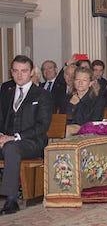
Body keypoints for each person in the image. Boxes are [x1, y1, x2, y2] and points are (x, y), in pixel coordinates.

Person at [0, 55, 54, 215]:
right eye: (16, 71)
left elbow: (42, 126)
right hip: (8, 140)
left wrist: (13, 137)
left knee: (11, 148)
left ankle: (11, 199)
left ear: (31, 72)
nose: (19, 75)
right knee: (9, 146)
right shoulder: (6, 93)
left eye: (24, 71)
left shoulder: (42, 95)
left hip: (32, 142)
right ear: (11, 72)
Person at [63, 67, 104, 135]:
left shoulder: (97, 100)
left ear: (90, 83)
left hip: (89, 131)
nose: (80, 83)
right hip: (69, 129)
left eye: (84, 80)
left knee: (67, 130)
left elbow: (92, 122)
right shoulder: (68, 98)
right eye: (77, 79)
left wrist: (77, 104)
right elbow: (63, 120)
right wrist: (71, 105)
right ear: (74, 81)